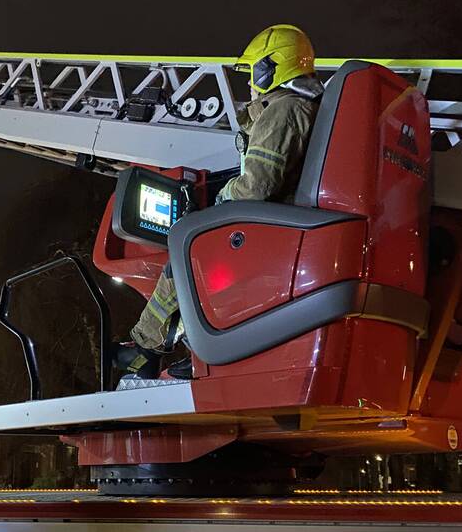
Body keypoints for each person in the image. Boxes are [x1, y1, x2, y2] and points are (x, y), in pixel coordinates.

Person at [115, 24, 325, 380]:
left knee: (184, 251)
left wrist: (220, 199)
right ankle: (193, 346)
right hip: (285, 229)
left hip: (271, 231)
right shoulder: (306, 107)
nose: (249, 82)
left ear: (272, 67)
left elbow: (257, 185)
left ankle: (146, 347)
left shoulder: (282, 110)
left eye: (254, 70)